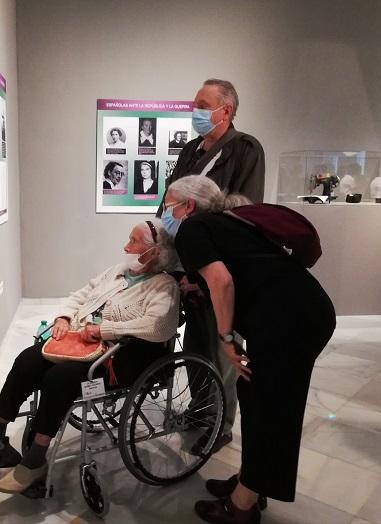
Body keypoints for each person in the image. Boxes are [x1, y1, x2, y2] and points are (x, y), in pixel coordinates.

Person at [0, 221, 180, 494]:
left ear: (154, 252)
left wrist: (104, 329)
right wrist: (64, 316)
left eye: (133, 241)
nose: (125, 246)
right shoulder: (118, 272)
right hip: (81, 343)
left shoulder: (164, 286)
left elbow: (159, 326)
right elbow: (81, 294)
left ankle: (36, 459)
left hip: (121, 358)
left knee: (59, 378)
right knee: (28, 359)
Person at [161, 176, 335, 524]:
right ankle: (250, 483)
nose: (165, 211)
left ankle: (242, 506)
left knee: (271, 409)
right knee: (257, 397)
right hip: (298, 313)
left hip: (292, 322)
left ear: (188, 206)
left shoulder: (193, 229)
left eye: (168, 204)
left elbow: (223, 281)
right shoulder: (221, 224)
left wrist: (226, 341)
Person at [157, 79, 266, 453]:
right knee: (196, 342)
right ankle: (202, 408)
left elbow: (242, 209)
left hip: (216, 262)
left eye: (203, 104)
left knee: (222, 345)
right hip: (185, 258)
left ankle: (221, 422)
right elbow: (171, 198)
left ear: (226, 110)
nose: (195, 111)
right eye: (194, 103)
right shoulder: (190, 149)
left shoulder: (244, 150)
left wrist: (206, 259)